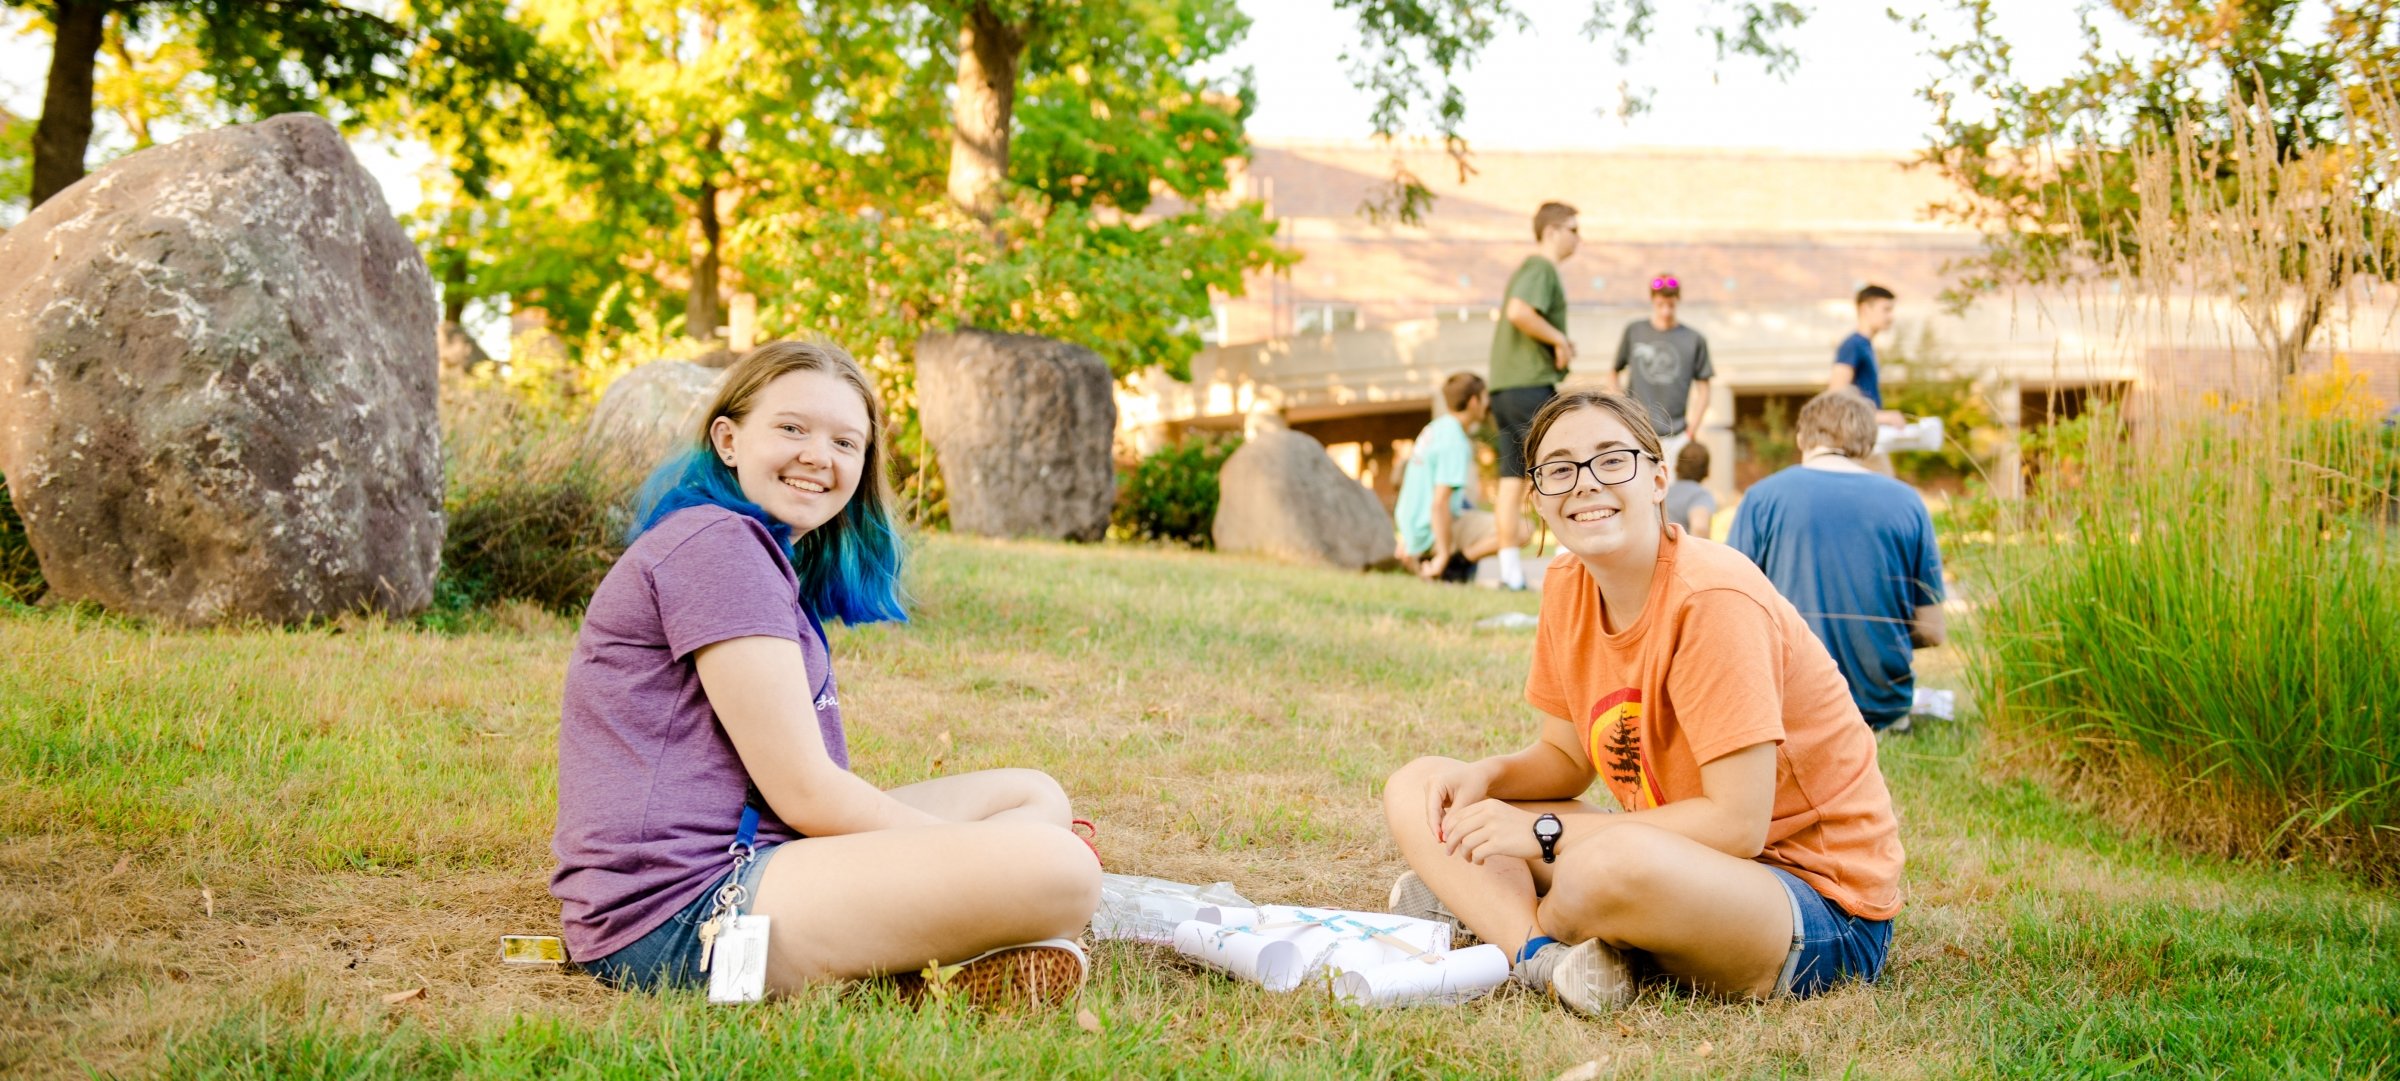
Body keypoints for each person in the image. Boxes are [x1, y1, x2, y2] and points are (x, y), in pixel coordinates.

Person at [551, 341, 1101, 1005]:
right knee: (1062, 865)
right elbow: (808, 793)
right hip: (678, 912)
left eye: (846, 441)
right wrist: (960, 852)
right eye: (791, 428)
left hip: (757, 851)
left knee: (1031, 797)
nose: (819, 455)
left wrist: (961, 853)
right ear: (728, 439)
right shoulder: (719, 548)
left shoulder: (752, 551)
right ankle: (954, 936)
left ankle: (942, 937)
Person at [1381, 389, 1903, 1016]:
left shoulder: (1712, 599)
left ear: (1658, 479)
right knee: (1421, 785)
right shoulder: (1567, 586)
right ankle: (1542, 957)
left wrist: (1540, 833)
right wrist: (1486, 777)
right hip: (1679, 863)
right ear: (1540, 500)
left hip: (1815, 905)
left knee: (1599, 866)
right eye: (1560, 469)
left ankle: (1484, 909)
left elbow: (1738, 826)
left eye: (1611, 459)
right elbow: (1565, 758)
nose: (1586, 483)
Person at [1727, 390, 1947, 733]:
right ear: (1868, 441)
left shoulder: (1762, 498)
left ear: (1802, 437)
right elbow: (1933, 630)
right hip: (1884, 709)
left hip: (1788, 710)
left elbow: (1733, 609)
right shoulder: (1909, 502)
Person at [1487, 201, 1583, 590]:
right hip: (1530, 385)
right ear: (1552, 231)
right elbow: (1518, 311)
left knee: (1512, 480)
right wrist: (1558, 338)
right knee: (1563, 465)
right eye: (1574, 229)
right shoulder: (1541, 267)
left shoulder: (1531, 269)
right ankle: (1565, 564)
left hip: (1504, 388)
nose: (1579, 238)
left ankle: (1510, 573)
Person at [1396, 373, 1503, 583]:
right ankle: (1454, 563)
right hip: (1428, 532)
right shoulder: (1454, 440)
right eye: (1484, 397)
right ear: (1473, 401)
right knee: (1519, 529)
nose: (1487, 403)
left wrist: (1405, 537)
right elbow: (1439, 503)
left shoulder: (1436, 428)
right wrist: (1444, 553)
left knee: (1466, 505)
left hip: (1414, 530)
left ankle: (1442, 561)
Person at [1607, 274, 1713, 468]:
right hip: (1636, 432)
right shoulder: (1634, 331)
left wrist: (1691, 432)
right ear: (1652, 301)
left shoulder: (1694, 339)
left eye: (1671, 305)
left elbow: (1705, 391)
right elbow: (1614, 372)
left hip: (1677, 436)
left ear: (1678, 301)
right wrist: (1622, 410)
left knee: (1671, 495)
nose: (1665, 311)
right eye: (1660, 304)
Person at [1663, 442, 1716, 540]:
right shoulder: (1700, 495)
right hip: (1680, 553)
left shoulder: (1663, 492)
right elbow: (1700, 528)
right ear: (1707, 472)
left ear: (1676, 468)